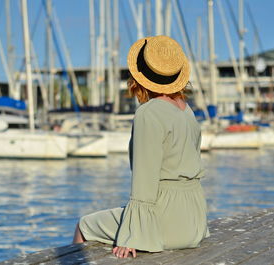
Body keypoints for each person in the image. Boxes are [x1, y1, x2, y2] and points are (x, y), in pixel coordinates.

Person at [73, 35, 210, 259]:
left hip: (165, 220)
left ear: (141, 77)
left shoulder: (149, 112)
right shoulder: (187, 111)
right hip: (194, 220)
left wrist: (133, 235)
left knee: (84, 225)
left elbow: (144, 181)